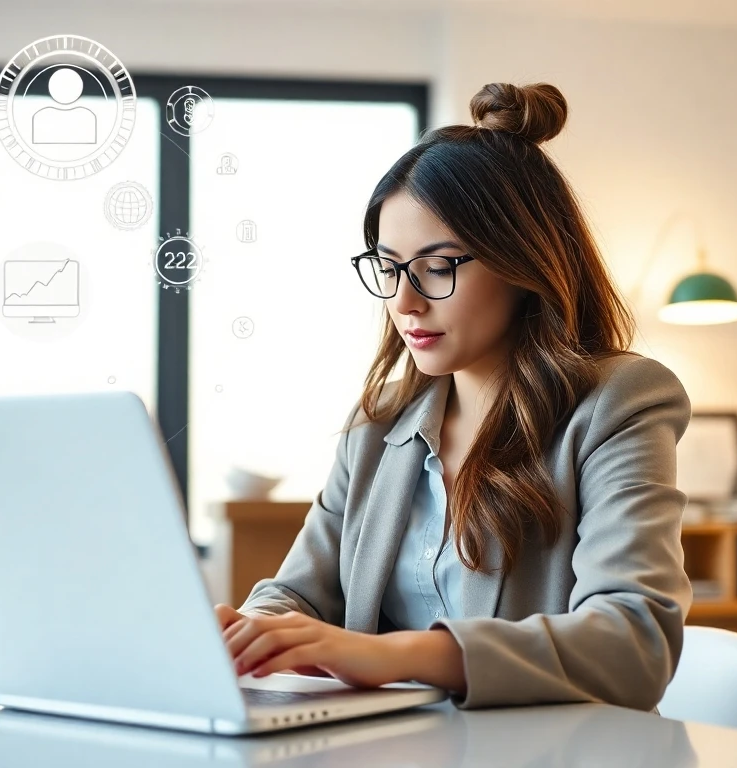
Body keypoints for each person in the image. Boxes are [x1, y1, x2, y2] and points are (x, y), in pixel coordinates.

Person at [214, 82, 692, 712]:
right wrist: (250, 631)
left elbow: (635, 642)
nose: (404, 302)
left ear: (523, 262)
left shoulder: (619, 401)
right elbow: (300, 595)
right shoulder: (377, 425)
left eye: (438, 266)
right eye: (388, 267)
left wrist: (389, 657)